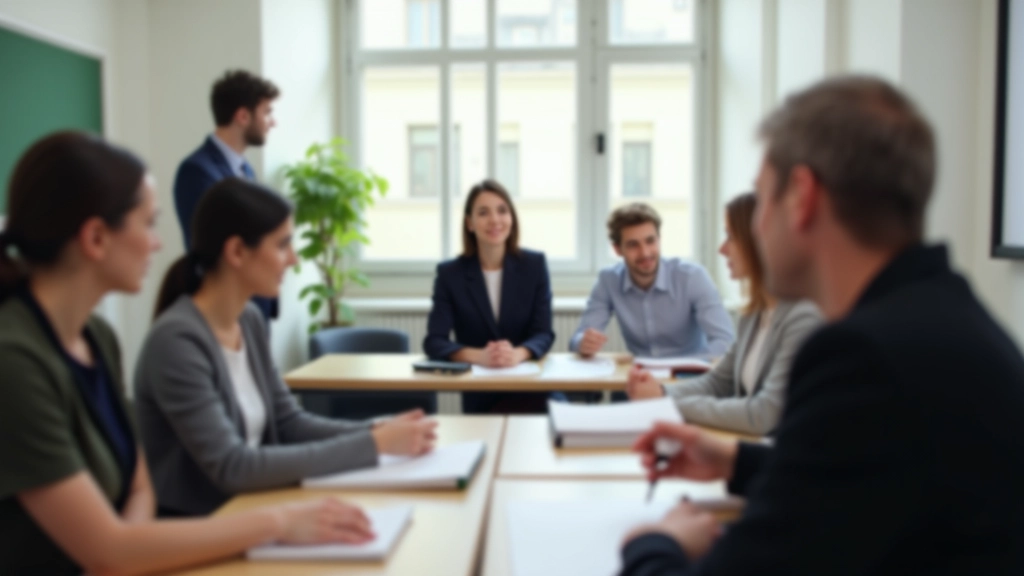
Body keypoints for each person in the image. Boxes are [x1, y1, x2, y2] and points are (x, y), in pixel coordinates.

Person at [621, 76, 1024, 574]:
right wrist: (736, 462)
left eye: (763, 199)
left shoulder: (862, 356)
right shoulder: (949, 320)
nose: (757, 227)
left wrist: (655, 543)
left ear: (803, 197)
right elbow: (867, 478)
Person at [0, 132, 375, 576]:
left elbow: (139, 492)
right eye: (148, 223)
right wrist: (280, 522)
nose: (159, 243)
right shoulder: (15, 361)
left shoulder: (97, 335)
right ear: (97, 238)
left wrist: (126, 553)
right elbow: (109, 548)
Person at [135, 178, 438, 517]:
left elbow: (289, 422)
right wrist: (374, 444)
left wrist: (376, 429)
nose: (293, 259)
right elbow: (233, 466)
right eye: (282, 245)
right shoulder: (177, 342)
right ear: (236, 251)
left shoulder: (247, 319)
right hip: (203, 528)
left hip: (255, 509)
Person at [625, 192, 820, 435]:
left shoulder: (803, 317)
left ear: (758, 240)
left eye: (730, 236)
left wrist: (667, 403)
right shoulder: (754, 313)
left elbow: (764, 414)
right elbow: (719, 382)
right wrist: (661, 392)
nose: (721, 249)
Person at [424, 179, 555, 414]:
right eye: (483, 213)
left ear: (511, 219)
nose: (495, 220)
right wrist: (480, 356)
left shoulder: (534, 266)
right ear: (469, 223)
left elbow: (543, 333)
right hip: (480, 393)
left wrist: (517, 354)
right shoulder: (450, 274)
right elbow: (434, 341)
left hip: (532, 389)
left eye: (502, 211)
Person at [174, 69, 280, 321]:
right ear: (243, 116)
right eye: (266, 112)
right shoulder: (197, 171)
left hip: (252, 311)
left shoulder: (246, 170)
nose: (272, 122)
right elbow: (209, 251)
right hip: (225, 312)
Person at [570, 203, 734, 361]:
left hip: (688, 376)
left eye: (650, 241)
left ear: (659, 239)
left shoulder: (692, 277)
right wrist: (582, 343)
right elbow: (577, 339)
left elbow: (725, 341)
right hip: (639, 376)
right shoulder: (608, 280)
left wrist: (688, 366)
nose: (645, 253)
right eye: (633, 245)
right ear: (618, 249)